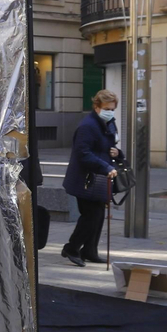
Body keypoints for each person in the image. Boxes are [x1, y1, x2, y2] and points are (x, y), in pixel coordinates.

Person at [60, 90, 120, 267]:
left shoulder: (108, 123)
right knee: (90, 216)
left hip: (99, 179)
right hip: (85, 179)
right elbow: (83, 154)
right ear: (97, 107)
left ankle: (90, 250)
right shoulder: (88, 126)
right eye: (107, 108)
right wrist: (106, 167)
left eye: (113, 108)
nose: (110, 112)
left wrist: (118, 153)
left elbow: (109, 147)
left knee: (99, 215)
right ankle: (71, 248)